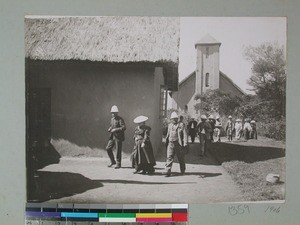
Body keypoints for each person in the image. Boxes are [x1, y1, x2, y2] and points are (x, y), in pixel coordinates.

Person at [163, 112, 188, 177]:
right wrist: (166, 141)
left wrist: (185, 143)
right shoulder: (169, 125)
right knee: (169, 157)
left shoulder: (181, 125)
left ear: (178, 119)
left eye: (176, 118)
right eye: (173, 119)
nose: (174, 120)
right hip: (170, 143)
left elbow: (185, 134)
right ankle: (167, 171)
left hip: (178, 144)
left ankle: (182, 171)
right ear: (171, 119)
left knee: (180, 158)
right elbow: (167, 134)